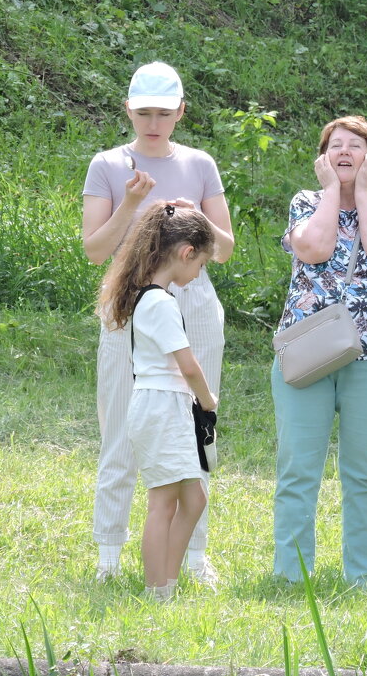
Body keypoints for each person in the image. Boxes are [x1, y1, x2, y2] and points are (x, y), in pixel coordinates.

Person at [82, 61, 234, 584]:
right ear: (128, 109)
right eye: (144, 112)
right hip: (131, 298)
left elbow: (226, 249)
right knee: (122, 424)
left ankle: (193, 556)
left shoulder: (200, 163)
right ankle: (108, 553)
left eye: (164, 113)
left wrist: (199, 215)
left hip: (194, 295)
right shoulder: (107, 163)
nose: (153, 122)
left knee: (197, 425)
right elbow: (94, 249)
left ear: (181, 112)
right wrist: (131, 203)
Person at [271, 115, 367, 587]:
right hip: (306, 354)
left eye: (356, 145)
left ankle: (363, 575)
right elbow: (313, 248)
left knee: (364, 473)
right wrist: (333, 192)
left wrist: (366, 195)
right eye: (335, 146)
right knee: (298, 470)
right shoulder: (305, 203)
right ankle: (292, 576)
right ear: (323, 158)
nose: (345, 152)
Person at [96, 203, 219, 601]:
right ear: (186, 253)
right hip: (162, 405)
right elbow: (188, 365)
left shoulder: (154, 298)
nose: (199, 273)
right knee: (164, 502)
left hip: (166, 406)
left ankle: (167, 581)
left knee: (193, 497)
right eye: (201, 264)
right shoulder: (160, 303)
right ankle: (157, 590)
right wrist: (208, 399)